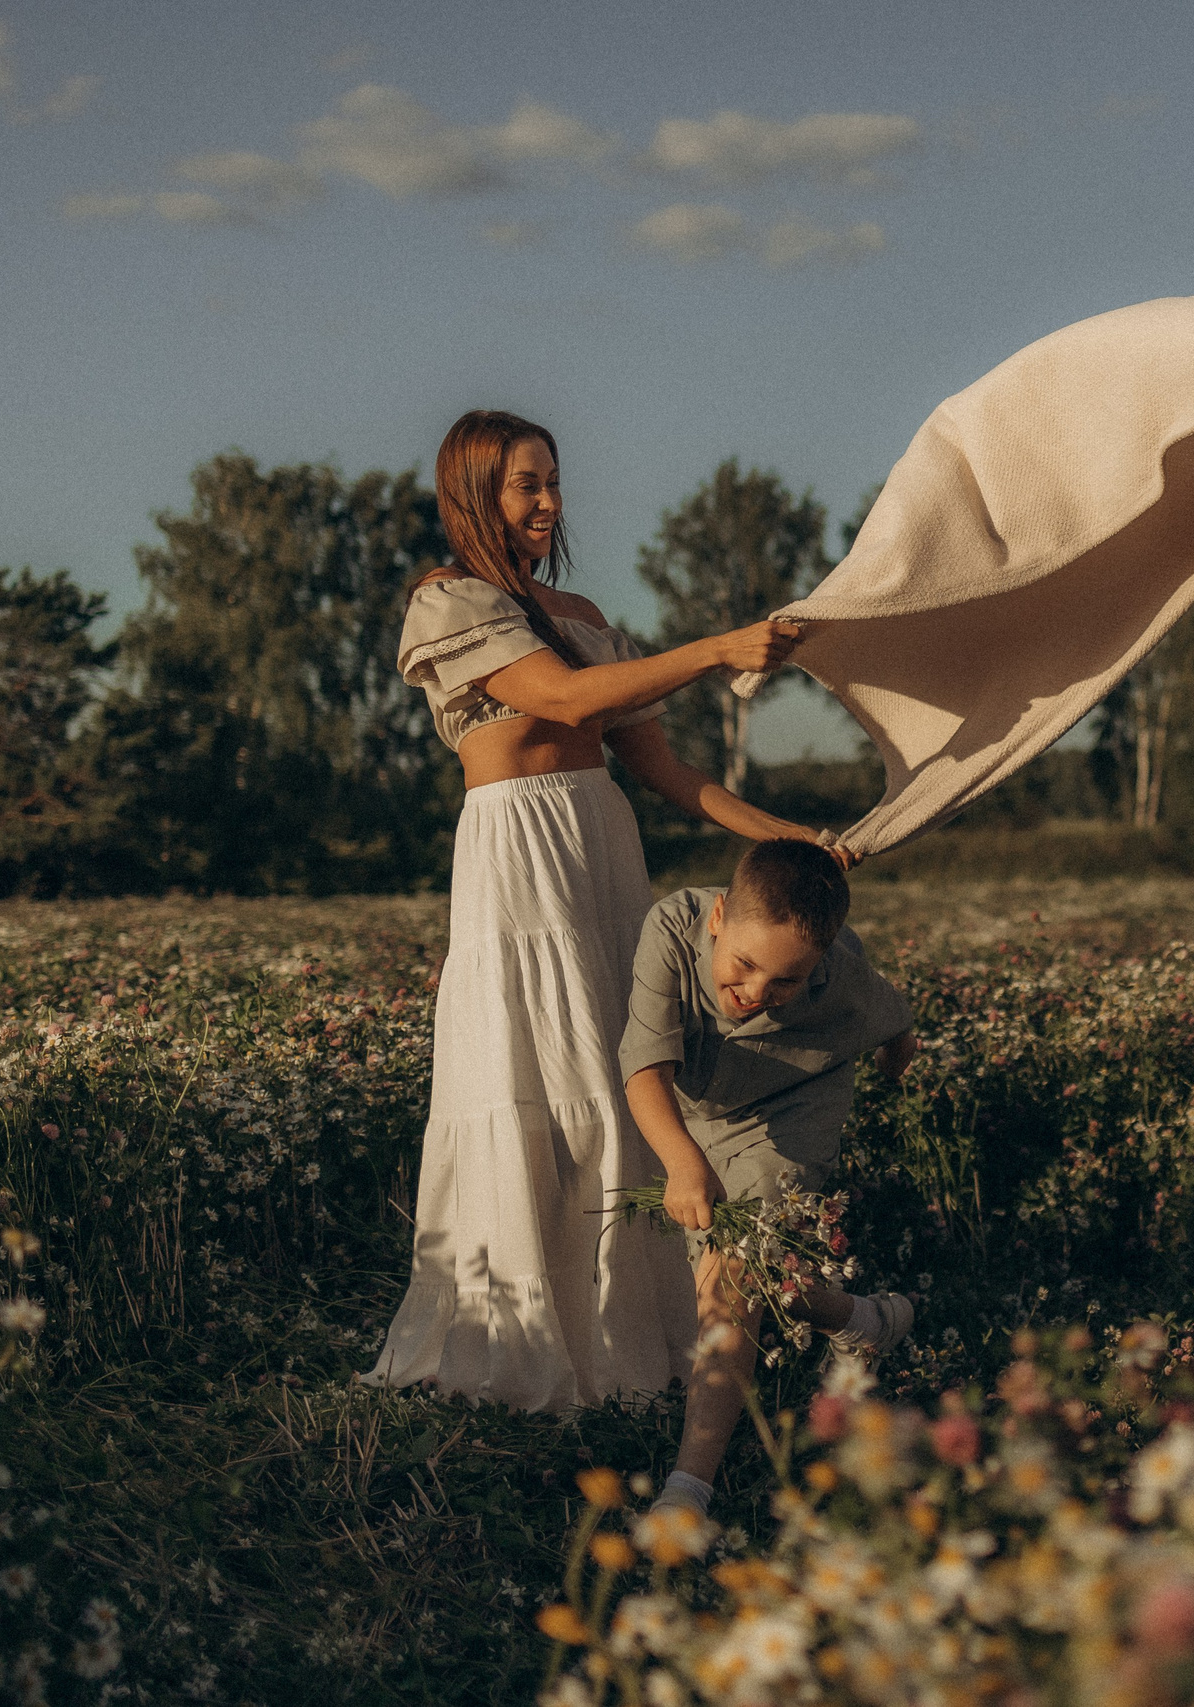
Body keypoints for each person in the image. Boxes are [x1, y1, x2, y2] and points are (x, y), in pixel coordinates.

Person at [365, 408, 847, 1413]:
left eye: (552, 481)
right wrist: (721, 647)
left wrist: (789, 839)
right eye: (523, 486)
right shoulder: (446, 601)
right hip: (520, 850)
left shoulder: (583, 615)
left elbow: (667, 771)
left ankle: (639, 1339)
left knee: (627, 1065)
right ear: (475, 495)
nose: (546, 503)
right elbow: (568, 704)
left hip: (601, 845)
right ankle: (535, 1342)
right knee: (545, 1067)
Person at [618, 838, 918, 1513]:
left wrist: (899, 1050)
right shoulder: (669, 928)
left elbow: (893, 1014)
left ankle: (687, 1484)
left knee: (731, 1278)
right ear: (719, 915)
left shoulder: (840, 976)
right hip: (697, 1114)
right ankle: (860, 1319)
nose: (755, 993)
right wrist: (681, 1158)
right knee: (761, 1268)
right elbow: (644, 1069)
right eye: (745, 966)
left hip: (794, 1111)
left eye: (783, 983)